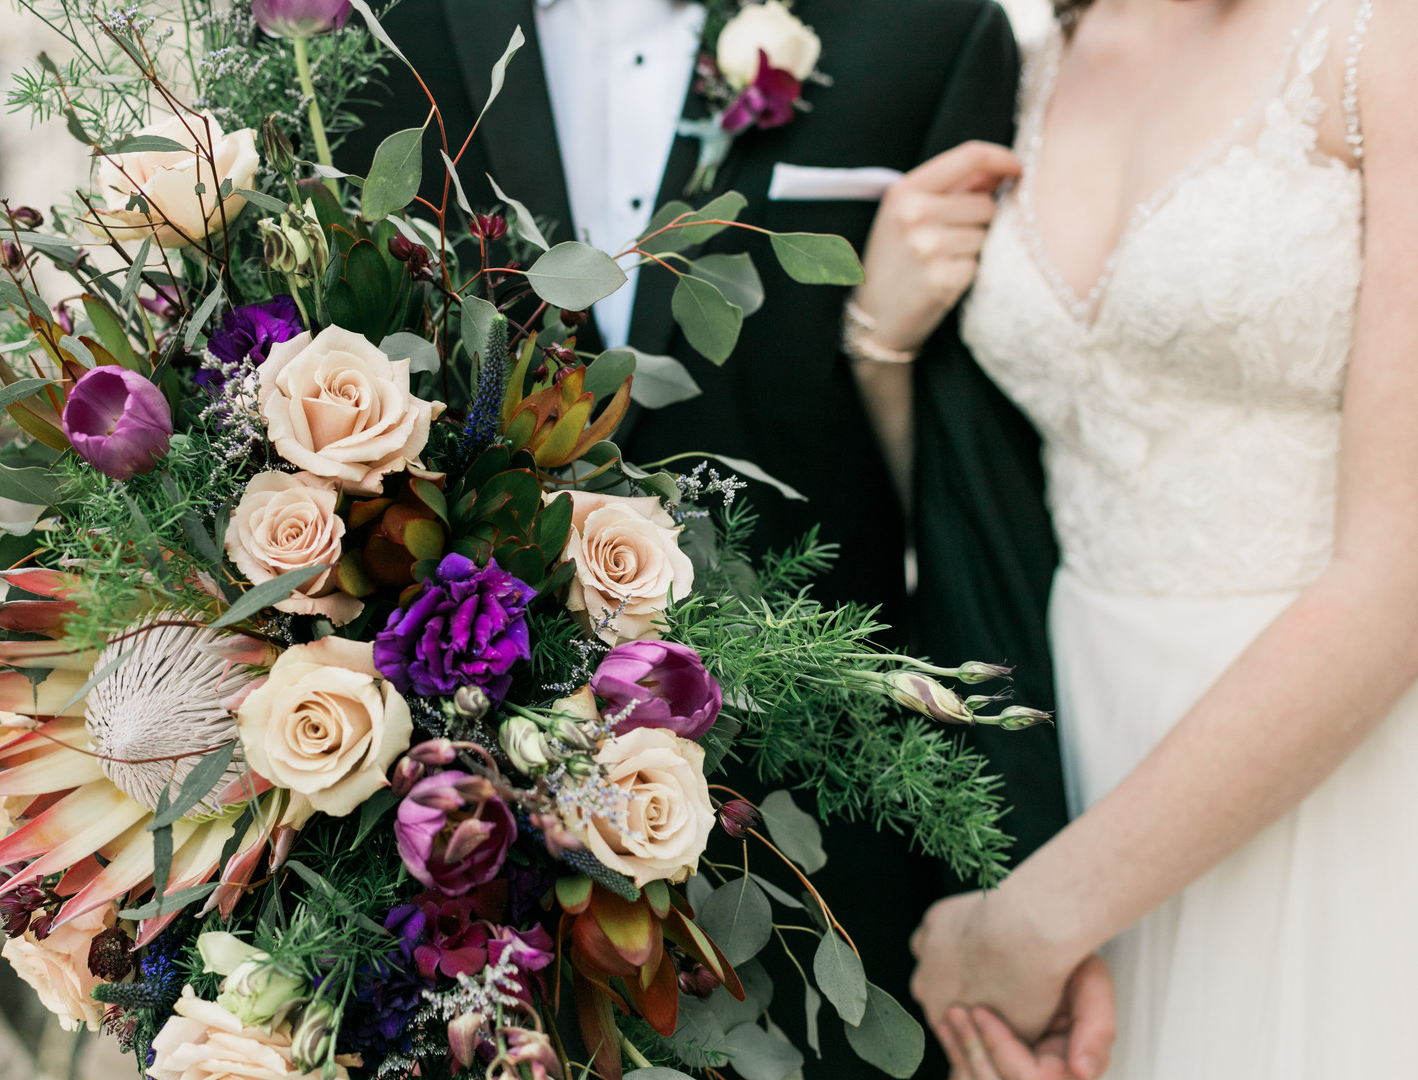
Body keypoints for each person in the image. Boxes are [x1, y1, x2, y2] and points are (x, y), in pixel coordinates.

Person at [340, 2, 1095, 1075]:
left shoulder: (931, 31)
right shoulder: (359, 32)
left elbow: (983, 521)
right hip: (445, 892)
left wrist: (1024, 909)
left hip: (818, 880)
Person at [856, 0, 1418, 1075]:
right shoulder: (1021, 61)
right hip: (1081, 753)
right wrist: (881, 351)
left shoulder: (1380, 42)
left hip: (1345, 771)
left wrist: (1024, 927)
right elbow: (984, 521)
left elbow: (1399, 585)